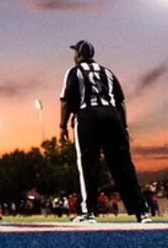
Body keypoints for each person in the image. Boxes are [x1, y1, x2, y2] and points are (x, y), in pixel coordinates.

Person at [59, 40, 151, 223]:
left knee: (88, 163)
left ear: (78, 54)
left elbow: (66, 101)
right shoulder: (107, 72)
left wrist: (62, 126)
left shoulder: (74, 72)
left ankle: (89, 211)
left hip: (87, 116)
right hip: (112, 116)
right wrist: (123, 126)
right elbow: (121, 101)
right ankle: (142, 212)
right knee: (123, 165)